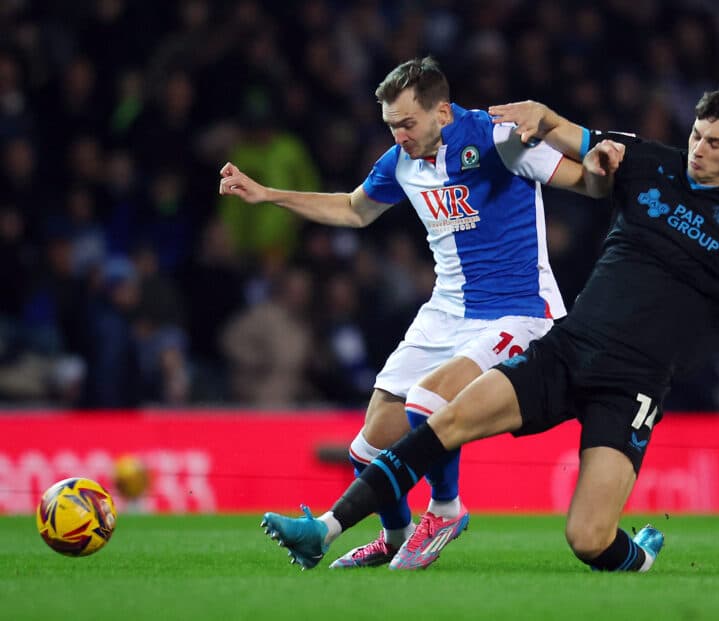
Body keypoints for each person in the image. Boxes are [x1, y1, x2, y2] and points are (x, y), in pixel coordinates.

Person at [258, 87, 719, 573]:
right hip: (568, 348)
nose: (699, 150)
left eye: (716, 144)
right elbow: (573, 137)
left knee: (589, 538)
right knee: (442, 417)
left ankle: (637, 558)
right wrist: (543, 117)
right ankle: (326, 527)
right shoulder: (648, 162)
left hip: (633, 384)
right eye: (696, 134)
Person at [220, 57, 596, 570]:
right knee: (367, 447)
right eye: (391, 125)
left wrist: (610, 156)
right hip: (446, 311)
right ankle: (394, 536)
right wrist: (268, 195)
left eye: (407, 123)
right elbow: (353, 209)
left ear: (442, 111)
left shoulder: (499, 138)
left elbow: (586, 182)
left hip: (518, 311)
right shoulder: (402, 161)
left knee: (427, 403)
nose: (399, 135)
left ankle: (445, 509)